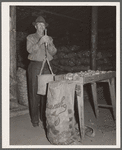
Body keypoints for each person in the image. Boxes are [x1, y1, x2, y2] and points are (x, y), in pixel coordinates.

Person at [26, 16, 57, 127]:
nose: (41, 27)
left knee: (46, 92)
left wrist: (48, 44)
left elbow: (53, 52)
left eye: (43, 25)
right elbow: (29, 50)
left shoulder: (49, 38)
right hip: (35, 65)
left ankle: (44, 117)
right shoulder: (31, 37)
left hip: (47, 66)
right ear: (35, 26)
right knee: (34, 92)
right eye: (39, 25)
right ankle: (35, 120)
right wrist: (40, 42)